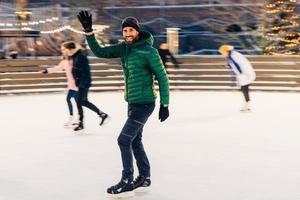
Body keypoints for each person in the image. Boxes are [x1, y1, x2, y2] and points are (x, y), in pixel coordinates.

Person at [78, 11, 170, 197]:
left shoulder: (149, 52)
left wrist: (164, 104)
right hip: (132, 103)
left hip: (145, 103)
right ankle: (144, 177)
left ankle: (127, 181)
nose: (127, 33)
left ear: (137, 31)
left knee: (123, 140)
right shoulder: (123, 49)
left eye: (131, 30)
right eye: (125, 30)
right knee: (135, 141)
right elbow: (100, 52)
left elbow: (162, 77)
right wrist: (89, 32)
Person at [62, 41, 109, 131]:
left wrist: (82, 84)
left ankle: (81, 123)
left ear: (71, 49)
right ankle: (102, 114)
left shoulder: (80, 56)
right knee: (83, 102)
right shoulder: (76, 56)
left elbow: (86, 71)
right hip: (81, 83)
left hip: (83, 83)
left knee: (80, 102)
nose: (65, 51)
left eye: (66, 49)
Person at [40, 42, 79, 127]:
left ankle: (74, 118)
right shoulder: (65, 60)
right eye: (62, 49)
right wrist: (47, 71)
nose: (62, 51)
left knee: (69, 99)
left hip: (77, 83)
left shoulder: (75, 58)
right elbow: (58, 68)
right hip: (71, 84)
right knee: (76, 101)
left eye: (63, 49)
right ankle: (77, 118)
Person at [219, 45, 256, 112]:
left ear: (226, 51)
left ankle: (247, 105)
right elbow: (237, 64)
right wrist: (228, 66)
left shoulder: (232, 56)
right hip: (247, 73)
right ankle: (247, 104)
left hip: (245, 74)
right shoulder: (233, 54)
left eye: (222, 52)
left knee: (244, 88)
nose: (222, 54)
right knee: (244, 88)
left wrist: (241, 76)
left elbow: (237, 66)